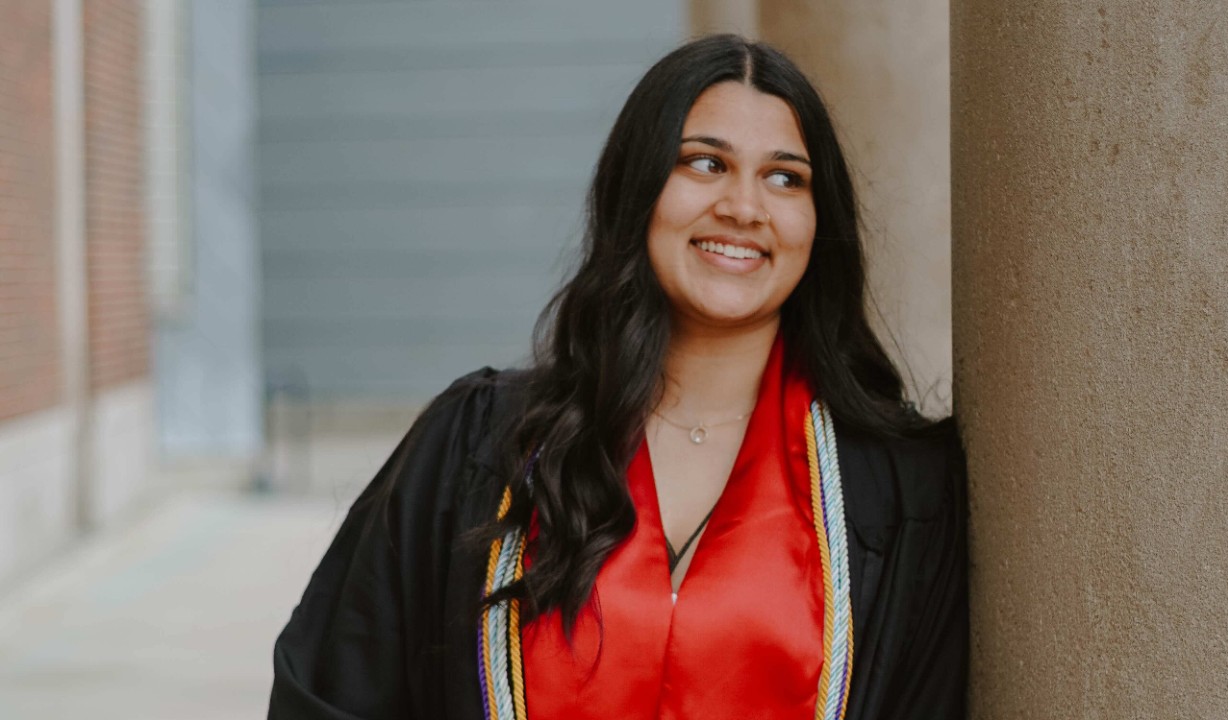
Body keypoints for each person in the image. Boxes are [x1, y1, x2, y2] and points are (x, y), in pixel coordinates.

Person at [268, 34, 967, 720]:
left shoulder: (894, 494)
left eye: (785, 177)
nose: (744, 208)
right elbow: (334, 686)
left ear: (820, 223)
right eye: (703, 164)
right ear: (639, 191)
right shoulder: (483, 447)